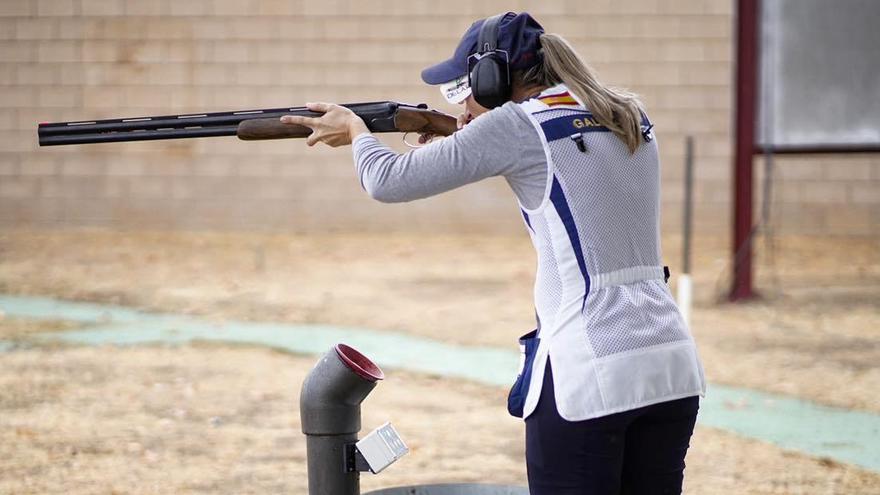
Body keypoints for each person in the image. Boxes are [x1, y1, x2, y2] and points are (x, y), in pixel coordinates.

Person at [281, 11, 707, 495]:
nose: (461, 106)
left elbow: (387, 181)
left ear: (491, 79)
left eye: (462, 91)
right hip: (670, 364)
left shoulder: (515, 125)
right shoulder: (626, 114)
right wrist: (463, 136)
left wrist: (358, 134)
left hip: (590, 374)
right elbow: (569, 160)